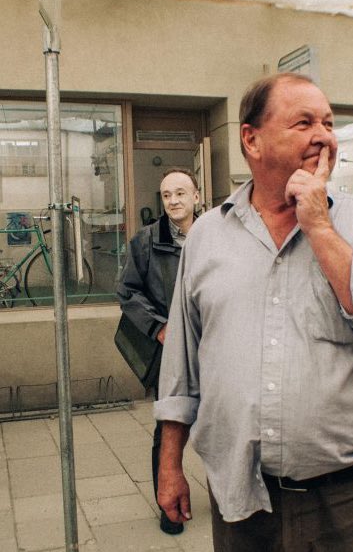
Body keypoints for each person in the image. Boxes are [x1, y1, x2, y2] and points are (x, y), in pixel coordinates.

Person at [154, 72, 353, 552]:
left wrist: (320, 227)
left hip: (352, 500)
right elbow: (183, 362)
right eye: (303, 122)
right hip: (242, 499)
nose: (323, 135)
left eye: (328, 122)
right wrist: (170, 463)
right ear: (251, 139)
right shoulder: (207, 236)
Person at [117, 168, 200, 535]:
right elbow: (127, 293)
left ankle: (232, 498)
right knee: (168, 426)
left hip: (215, 345)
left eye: (181, 193)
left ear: (197, 197)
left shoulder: (216, 234)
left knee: (226, 424)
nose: (173, 201)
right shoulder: (146, 241)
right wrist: (158, 327)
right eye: (167, 195)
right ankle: (169, 508)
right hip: (172, 349)